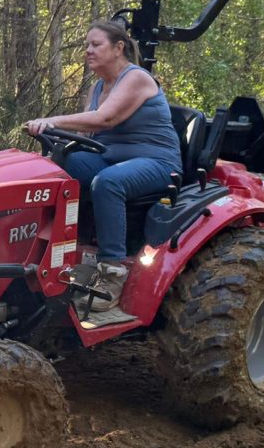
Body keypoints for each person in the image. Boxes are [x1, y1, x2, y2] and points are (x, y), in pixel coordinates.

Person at [25, 19, 180, 319]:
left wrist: (52, 121)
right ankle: (48, 250)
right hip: (110, 157)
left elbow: (104, 119)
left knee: (107, 182)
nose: (88, 50)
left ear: (118, 47)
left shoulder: (136, 78)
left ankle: (112, 273)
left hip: (157, 162)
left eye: (96, 44)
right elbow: (86, 133)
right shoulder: (98, 86)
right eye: (87, 45)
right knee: (53, 166)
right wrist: (55, 145)